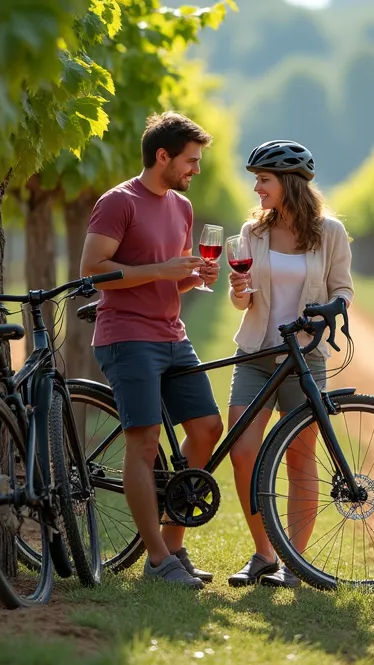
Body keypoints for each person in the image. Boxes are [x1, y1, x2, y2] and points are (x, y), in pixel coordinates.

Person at [79, 111, 224, 589]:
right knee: (142, 444)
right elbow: (92, 270)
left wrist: (193, 277)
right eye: (190, 160)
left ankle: (173, 545)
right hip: (126, 335)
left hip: (171, 334)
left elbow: (168, 279)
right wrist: (164, 270)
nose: (196, 170)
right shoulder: (117, 202)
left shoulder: (180, 208)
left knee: (206, 429)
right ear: (162, 156)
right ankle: (159, 561)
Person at [223, 140, 355, 588]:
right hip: (256, 354)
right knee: (243, 455)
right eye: (256, 179)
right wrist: (239, 289)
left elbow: (344, 288)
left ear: (288, 183)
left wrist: (332, 307)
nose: (257, 188)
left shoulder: (330, 232)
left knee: (300, 459)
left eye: (264, 179)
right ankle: (264, 553)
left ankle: (293, 564)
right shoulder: (252, 233)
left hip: (305, 358)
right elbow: (241, 300)